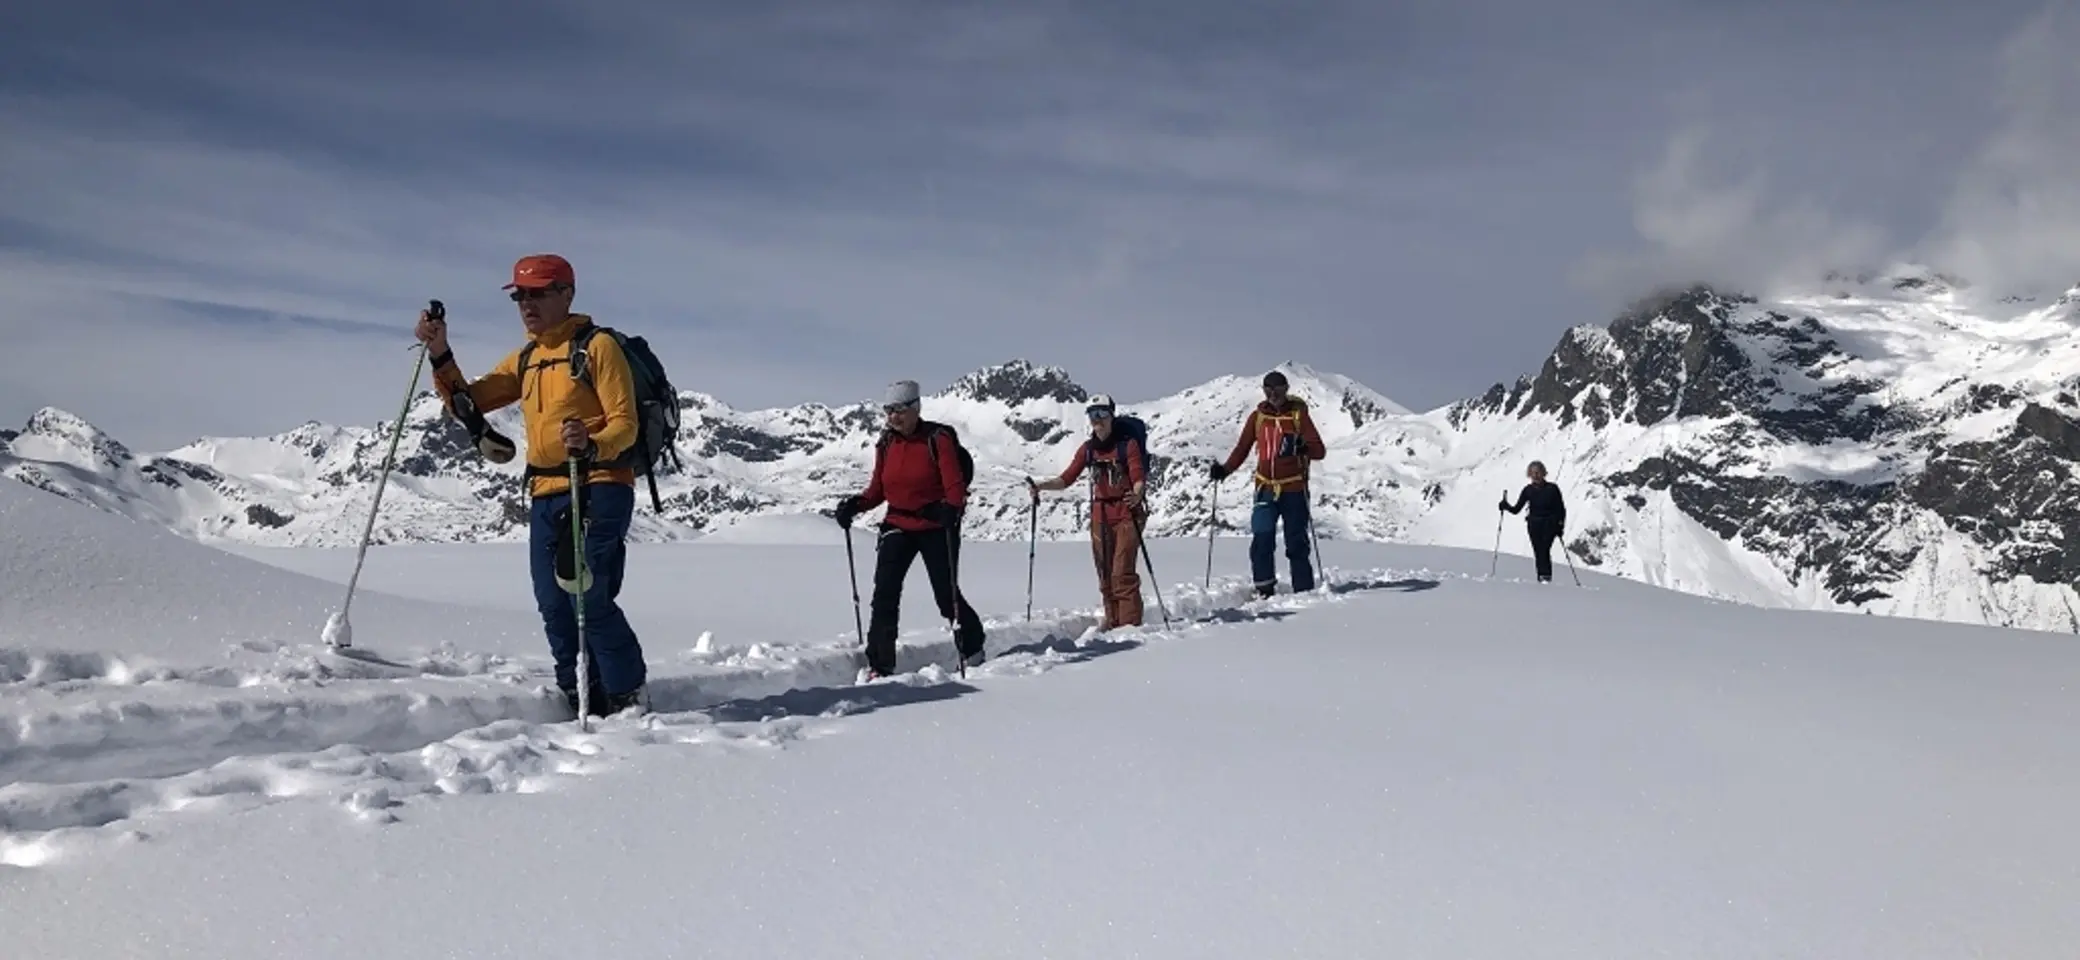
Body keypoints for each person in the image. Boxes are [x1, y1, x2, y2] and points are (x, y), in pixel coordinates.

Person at [416, 253, 649, 717]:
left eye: (539, 292)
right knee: (553, 603)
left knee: (587, 593)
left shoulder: (597, 347)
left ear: (567, 294)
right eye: (521, 295)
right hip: (545, 491)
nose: (527, 303)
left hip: (599, 484)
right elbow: (469, 401)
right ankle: (578, 692)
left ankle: (625, 696)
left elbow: (627, 424)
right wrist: (440, 351)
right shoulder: (528, 358)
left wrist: (591, 441)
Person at [834, 380, 987, 678]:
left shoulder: (938, 439)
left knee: (946, 595)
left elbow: (954, 486)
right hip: (897, 523)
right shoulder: (886, 443)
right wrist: (855, 505)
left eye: (899, 410)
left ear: (916, 408)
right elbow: (878, 490)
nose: (893, 417)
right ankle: (880, 663)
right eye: (889, 411)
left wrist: (950, 510)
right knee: (885, 594)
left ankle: (972, 647)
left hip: (936, 526)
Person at [1026, 394, 1149, 630]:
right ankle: (1114, 623)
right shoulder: (1088, 450)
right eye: (1093, 415)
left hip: (1127, 511)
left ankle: (1130, 627)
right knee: (1105, 573)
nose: (1098, 420)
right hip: (1100, 513)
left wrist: (1138, 493)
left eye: (1102, 414)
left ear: (1112, 416)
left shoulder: (1127, 445)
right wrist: (1041, 486)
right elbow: (1067, 478)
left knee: (1121, 572)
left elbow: (1137, 475)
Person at [1210, 370, 1327, 597]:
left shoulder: (1298, 416)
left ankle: (1303, 592)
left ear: (1286, 389)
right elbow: (1242, 448)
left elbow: (1319, 451)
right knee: (1262, 538)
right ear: (1264, 391)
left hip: (1294, 488)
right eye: (1268, 390)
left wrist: (1304, 447)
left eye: (1278, 389)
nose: (1273, 394)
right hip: (1265, 488)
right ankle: (1264, 589)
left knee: (1296, 542)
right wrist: (1224, 470)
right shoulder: (1258, 418)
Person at [1499, 460, 1567, 582]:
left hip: (1548, 524)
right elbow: (1516, 509)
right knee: (1538, 551)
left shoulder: (1552, 489)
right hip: (1534, 525)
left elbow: (1560, 509)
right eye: (1533, 473)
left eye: (1538, 472)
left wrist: (1560, 526)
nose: (1535, 476)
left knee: (1544, 550)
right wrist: (1506, 506)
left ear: (1543, 473)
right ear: (1529, 475)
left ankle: (1544, 576)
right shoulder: (1528, 490)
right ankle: (1543, 577)